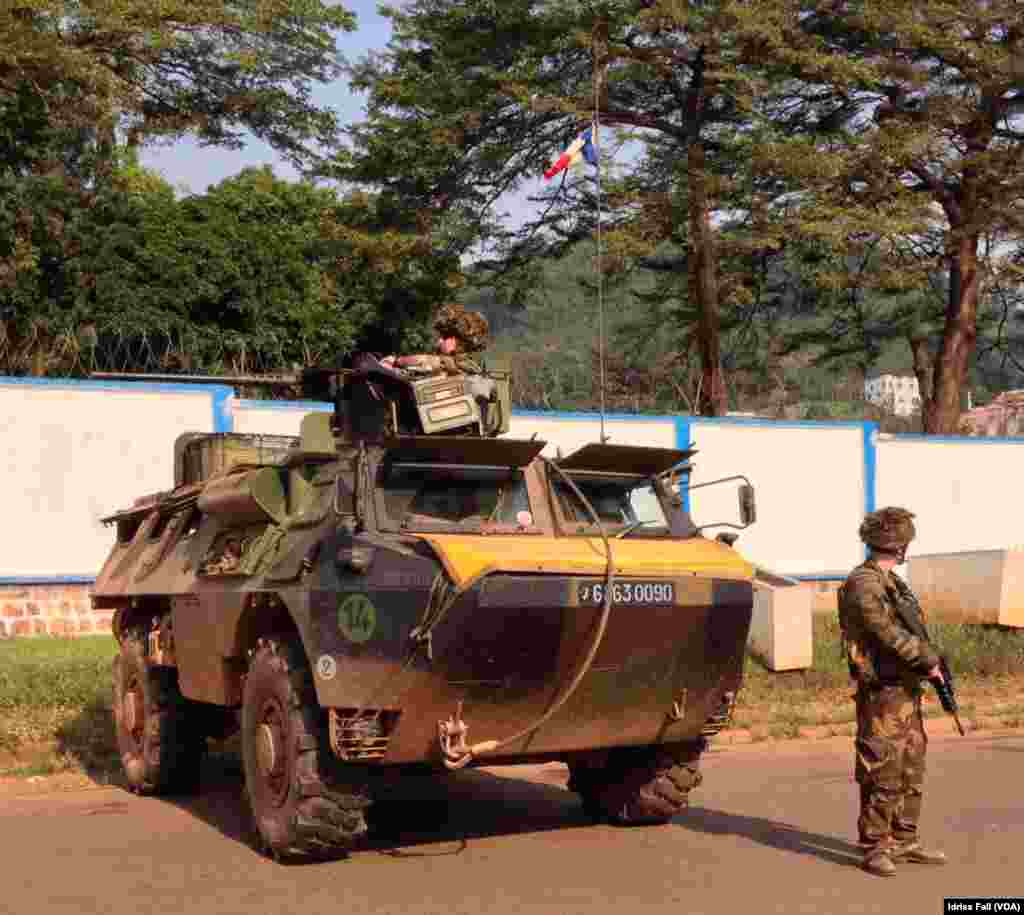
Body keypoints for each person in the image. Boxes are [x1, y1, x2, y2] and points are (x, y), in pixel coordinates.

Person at [838, 507, 948, 877]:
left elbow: (909, 629)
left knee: (911, 768)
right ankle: (874, 846)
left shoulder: (892, 583)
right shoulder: (864, 584)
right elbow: (884, 633)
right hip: (882, 691)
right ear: (900, 546)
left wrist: (928, 665)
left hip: (905, 688)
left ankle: (904, 839)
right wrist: (926, 658)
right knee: (883, 769)